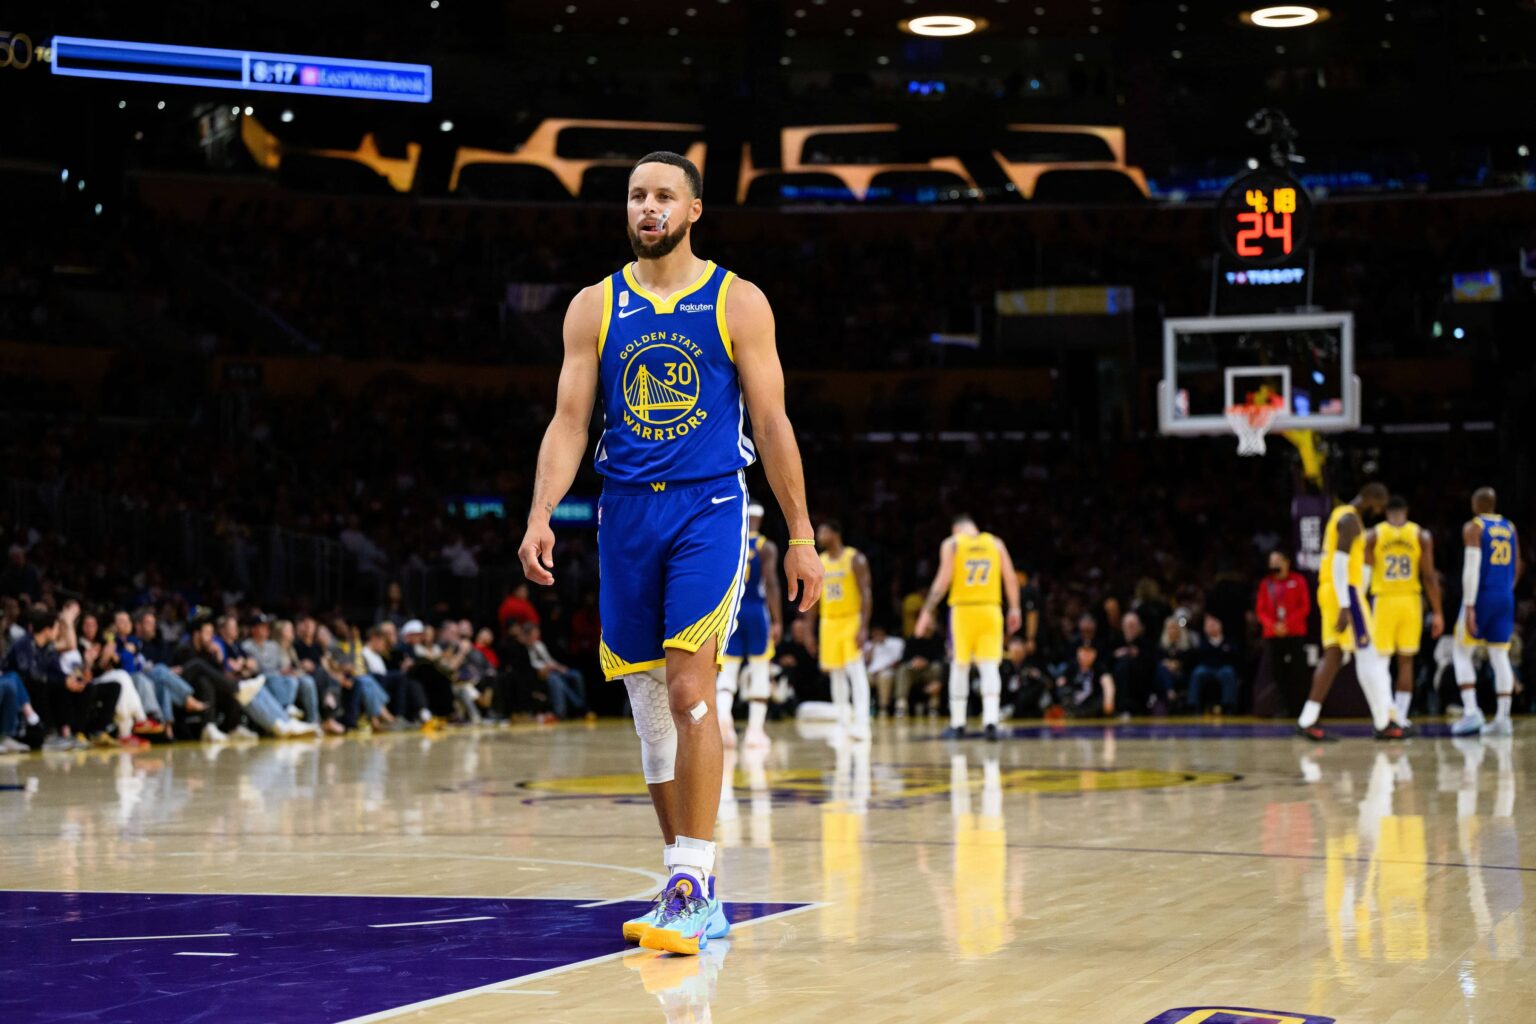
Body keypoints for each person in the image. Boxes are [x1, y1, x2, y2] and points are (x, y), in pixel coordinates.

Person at [516, 150, 821, 956]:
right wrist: (542, 510)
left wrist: (801, 537)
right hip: (622, 513)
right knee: (651, 709)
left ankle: (690, 879)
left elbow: (776, 422)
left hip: (710, 505)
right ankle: (689, 884)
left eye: (663, 197)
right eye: (635, 196)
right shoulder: (593, 307)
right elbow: (569, 422)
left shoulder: (738, 300)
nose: (647, 207)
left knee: (692, 688)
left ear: (693, 212)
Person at [1295, 483, 1404, 741]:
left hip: (1333, 591)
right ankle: (1382, 722)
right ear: (1371, 498)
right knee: (1369, 654)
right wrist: (1345, 605)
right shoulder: (1350, 521)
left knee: (1334, 655)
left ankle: (1307, 719)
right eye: (1379, 505)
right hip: (1345, 593)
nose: (1378, 511)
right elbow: (1339, 563)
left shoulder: (1340, 515)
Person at [915, 514, 1023, 741]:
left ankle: (958, 723)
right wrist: (1014, 608)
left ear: (956, 529)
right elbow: (1011, 579)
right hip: (990, 609)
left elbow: (943, 581)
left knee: (959, 665)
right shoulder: (995, 543)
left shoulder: (952, 544)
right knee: (989, 666)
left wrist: (926, 611)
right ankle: (991, 721)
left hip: (963, 611)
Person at [1365, 496, 1443, 727]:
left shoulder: (1374, 535)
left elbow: (1365, 574)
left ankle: (1386, 714)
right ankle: (1400, 715)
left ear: (1386, 512)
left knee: (1380, 661)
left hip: (1384, 601)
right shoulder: (1421, 535)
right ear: (1406, 510)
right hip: (1410, 601)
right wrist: (1437, 611)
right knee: (1406, 661)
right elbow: (1429, 577)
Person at [1451, 487, 1521, 735]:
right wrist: (1505, 590)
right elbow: (1518, 566)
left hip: (1481, 596)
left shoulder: (1475, 527)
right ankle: (1503, 719)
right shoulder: (1510, 527)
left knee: (1460, 652)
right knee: (1499, 656)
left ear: (1477, 503)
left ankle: (1471, 712)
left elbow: (1471, 568)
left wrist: (1470, 605)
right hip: (1505, 595)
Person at [717, 502, 782, 750]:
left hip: (731, 610)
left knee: (728, 669)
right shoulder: (766, 547)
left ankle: (724, 717)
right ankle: (755, 731)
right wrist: (777, 620)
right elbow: (772, 583)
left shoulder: (729, 541)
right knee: (759, 668)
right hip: (756, 610)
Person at [813, 520, 872, 739]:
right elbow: (815, 598)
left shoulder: (855, 558)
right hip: (828, 622)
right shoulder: (821, 561)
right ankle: (843, 722)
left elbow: (866, 594)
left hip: (850, 620)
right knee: (835, 674)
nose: (819, 535)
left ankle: (863, 722)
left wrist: (864, 627)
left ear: (836, 533)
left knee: (855, 672)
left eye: (823, 530)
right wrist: (810, 629)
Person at [1255, 549, 1312, 717]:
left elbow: (1305, 607)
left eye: (1278, 560)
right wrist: (1273, 626)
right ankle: (1284, 708)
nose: (1274, 565)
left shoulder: (1298, 580)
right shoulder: (1266, 584)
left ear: (1287, 562)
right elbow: (1261, 610)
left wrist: (1287, 624)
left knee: (1298, 672)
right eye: (1271, 562)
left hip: (1294, 633)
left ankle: (1301, 709)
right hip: (1273, 636)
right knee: (1278, 673)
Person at [1186, 613, 1242, 713]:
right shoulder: (1202, 643)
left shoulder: (1228, 641)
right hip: (1207, 668)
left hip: (1223, 668)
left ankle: (1228, 704)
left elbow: (1234, 657)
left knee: (1228, 672)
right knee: (1198, 673)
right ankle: (1193, 704)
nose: (1211, 628)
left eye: (1213, 625)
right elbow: (1198, 657)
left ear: (1220, 626)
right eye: (1209, 626)